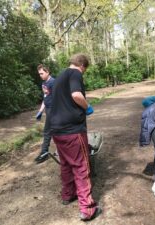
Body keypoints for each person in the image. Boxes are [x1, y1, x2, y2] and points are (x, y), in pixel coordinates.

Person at [49, 53, 101, 221]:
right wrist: (87, 107)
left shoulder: (58, 78)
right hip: (73, 130)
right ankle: (87, 209)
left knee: (65, 164)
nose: (83, 74)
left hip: (56, 130)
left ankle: (67, 195)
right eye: (85, 71)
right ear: (82, 66)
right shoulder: (75, 73)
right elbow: (76, 95)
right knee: (81, 167)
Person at [34, 64, 55, 164]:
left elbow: (58, 98)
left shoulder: (53, 82)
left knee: (47, 131)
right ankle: (45, 152)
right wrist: (40, 111)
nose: (40, 75)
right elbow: (45, 97)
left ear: (47, 72)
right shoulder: (44, 83)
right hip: (48, 109)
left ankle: (44, 153)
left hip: (54, 110)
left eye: (42, 73)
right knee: (52, 131)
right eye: (39, 74)